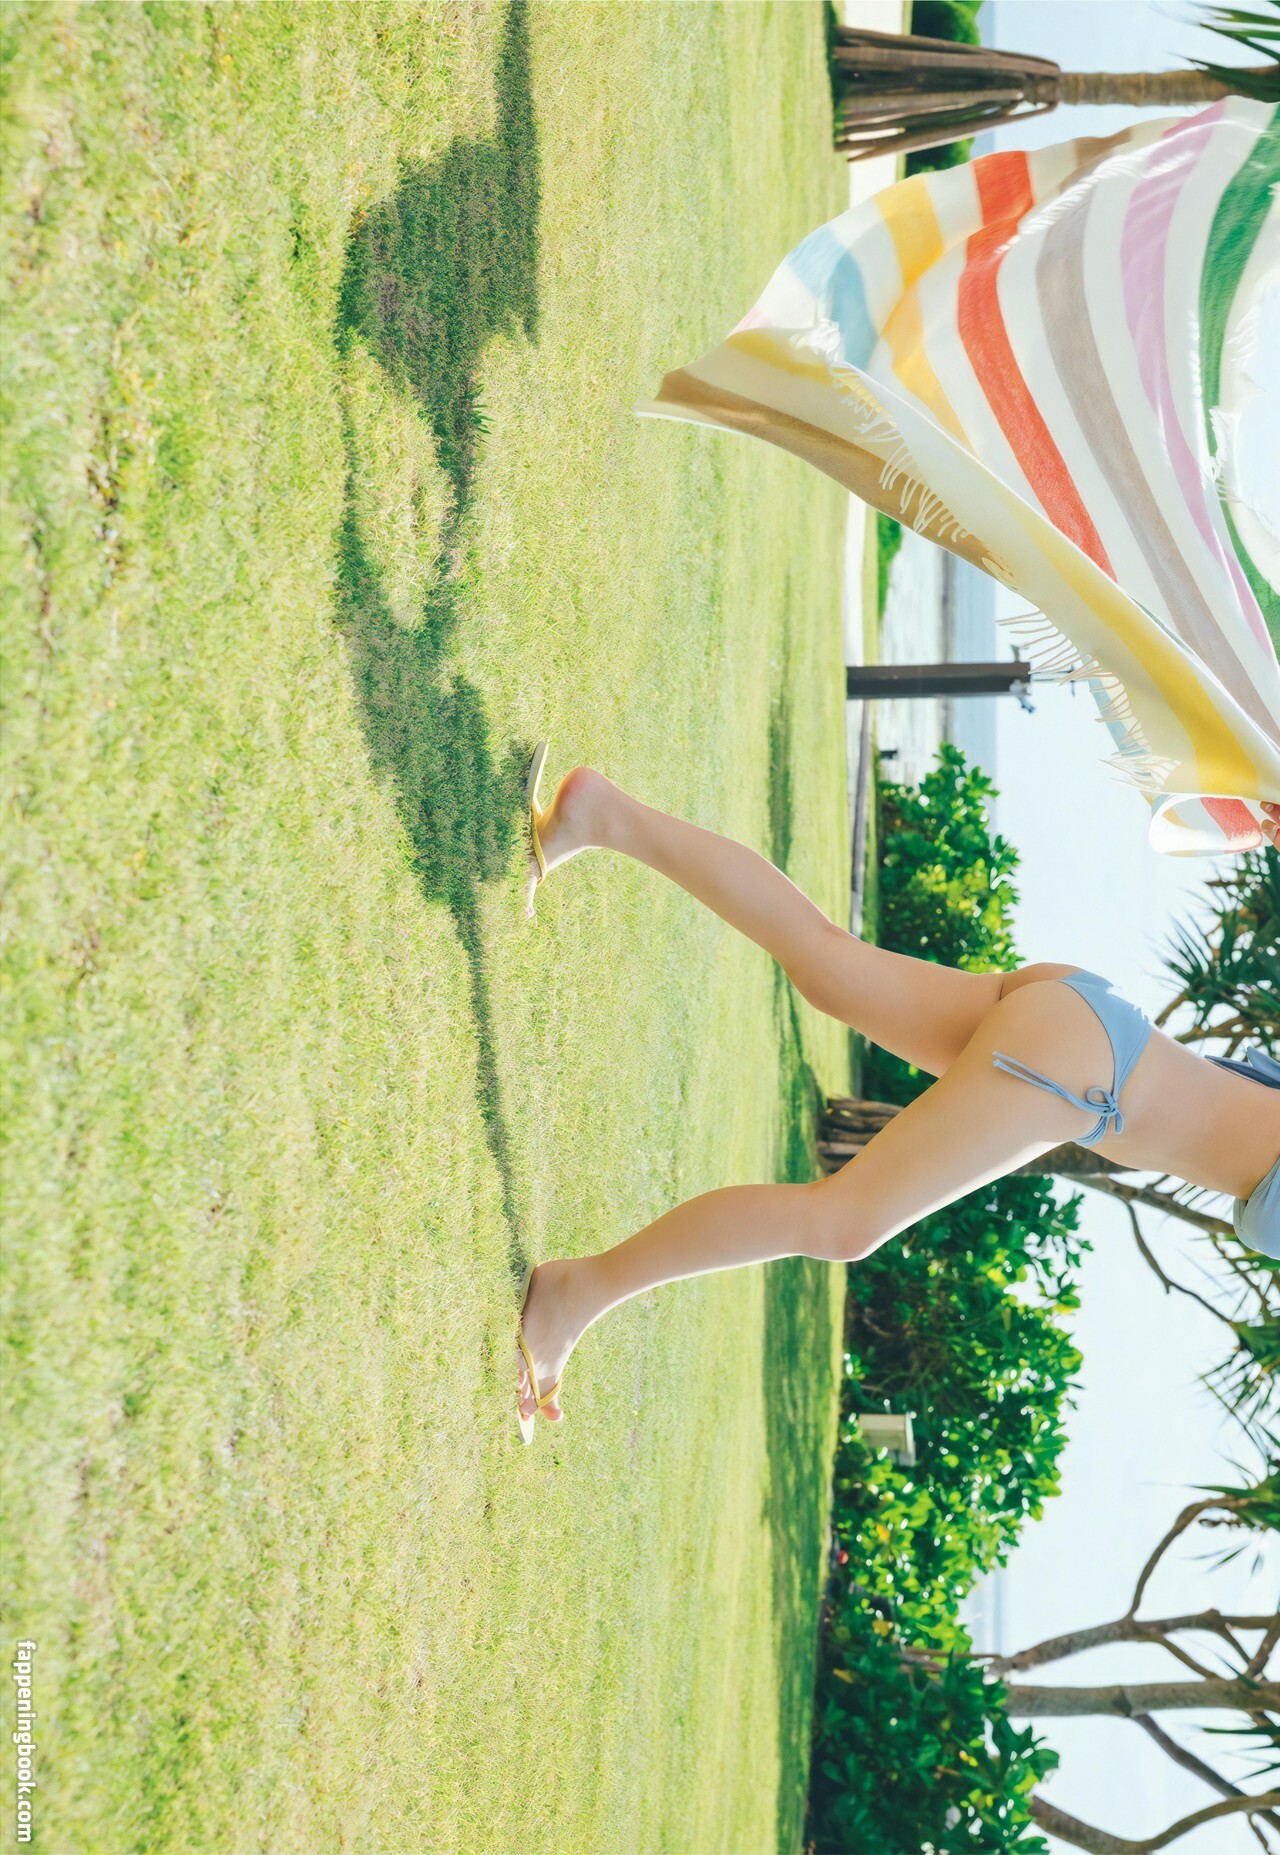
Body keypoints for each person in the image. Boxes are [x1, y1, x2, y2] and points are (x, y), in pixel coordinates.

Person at [512, 758, 1280, 1440]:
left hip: (1094, 1029)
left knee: (828, 964)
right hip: (1084, 1073)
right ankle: (574, 1294)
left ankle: (600, 814)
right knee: (842, 1223)